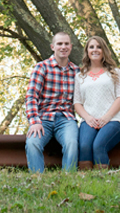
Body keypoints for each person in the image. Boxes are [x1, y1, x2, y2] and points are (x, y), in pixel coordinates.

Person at [25, 31, 79, 173]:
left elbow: (87, 98)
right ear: (52, 47)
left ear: (71, 47)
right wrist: (34, 121)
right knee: (32, 143)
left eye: (66, 44)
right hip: (43, 119)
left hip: (66, 119)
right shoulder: (42, 67)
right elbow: (31, 96)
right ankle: (38, 180)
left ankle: (68, 180)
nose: (63, 47)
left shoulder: (77, 72)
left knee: (72, 143)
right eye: (59, 44)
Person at [73, 35, 120, 170]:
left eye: (99, 47)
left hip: (114, 119)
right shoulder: (80, 76)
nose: (95, 50)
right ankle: (85, 182)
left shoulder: (115, 72)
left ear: (104, 51)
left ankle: (102, 181)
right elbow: (77, 103)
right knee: (84, 146)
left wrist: (106, 117)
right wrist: (88, 118)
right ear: (87, 51)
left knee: (99, 145)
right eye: (91, 47)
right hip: (89, 119)